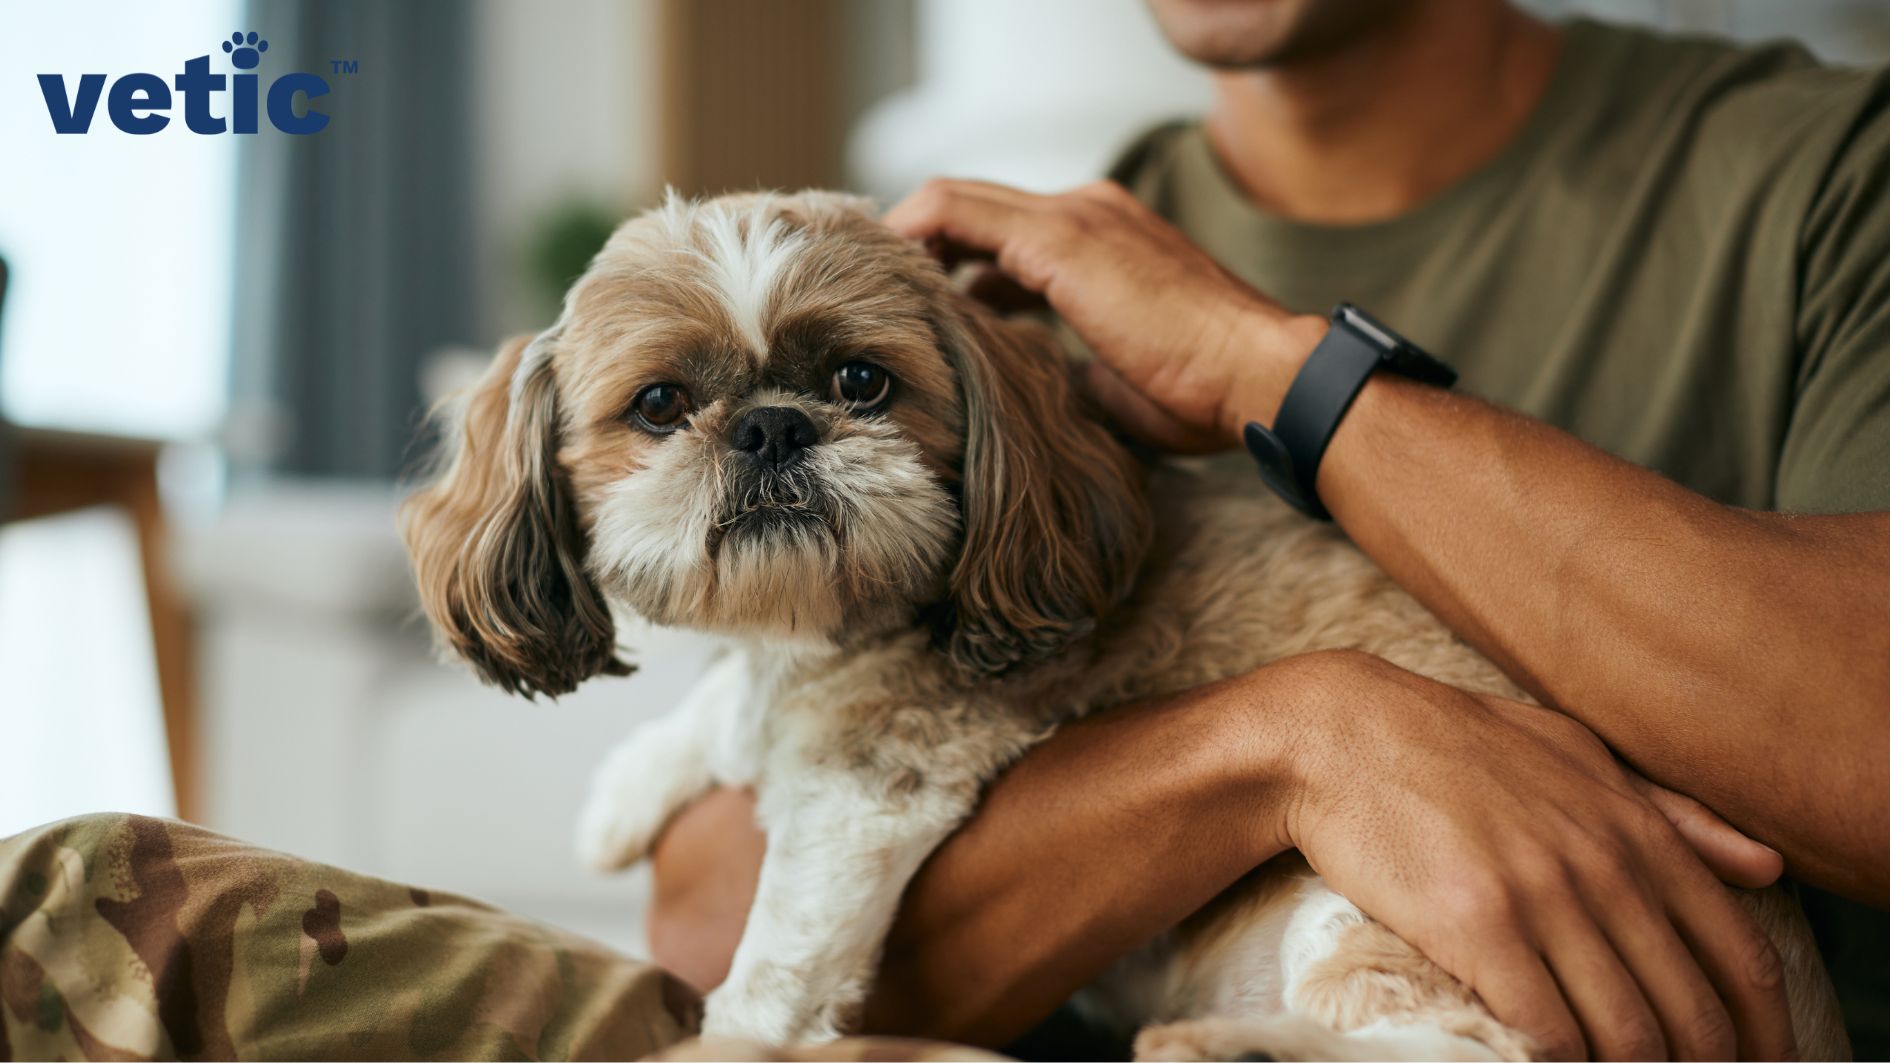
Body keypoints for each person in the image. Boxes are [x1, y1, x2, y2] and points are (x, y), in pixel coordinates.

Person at [647, 0, 1890, 1059]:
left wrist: (1272, 370)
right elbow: (711, 919)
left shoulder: (1834, 175)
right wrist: (1296, 748)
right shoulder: (1028, 278)